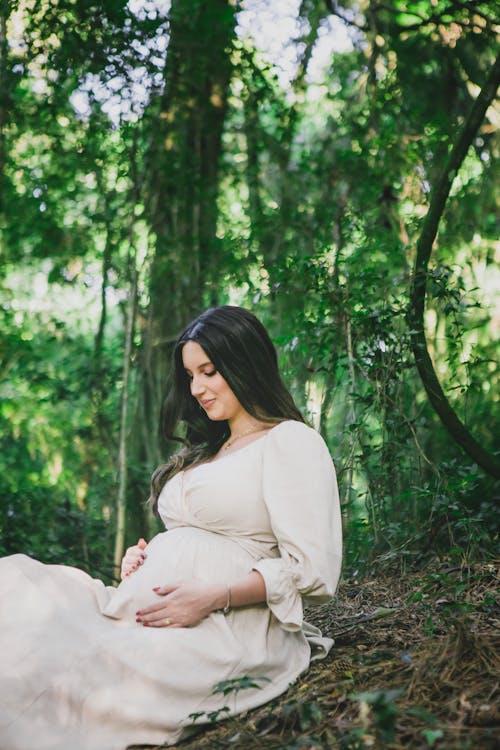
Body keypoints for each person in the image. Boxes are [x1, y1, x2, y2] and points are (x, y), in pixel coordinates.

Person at [0, 305, 342, 750]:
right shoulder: (210, 450)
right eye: (190, 376)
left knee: (74, 680)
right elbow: (192, 538)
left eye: (210, 371)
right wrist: (144, 563)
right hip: (133, 610)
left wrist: (214, 596)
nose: (197, 388)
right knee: (18, 589)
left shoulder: (290, 441)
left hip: (226, 625)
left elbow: (313, 571)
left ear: (246, 363)